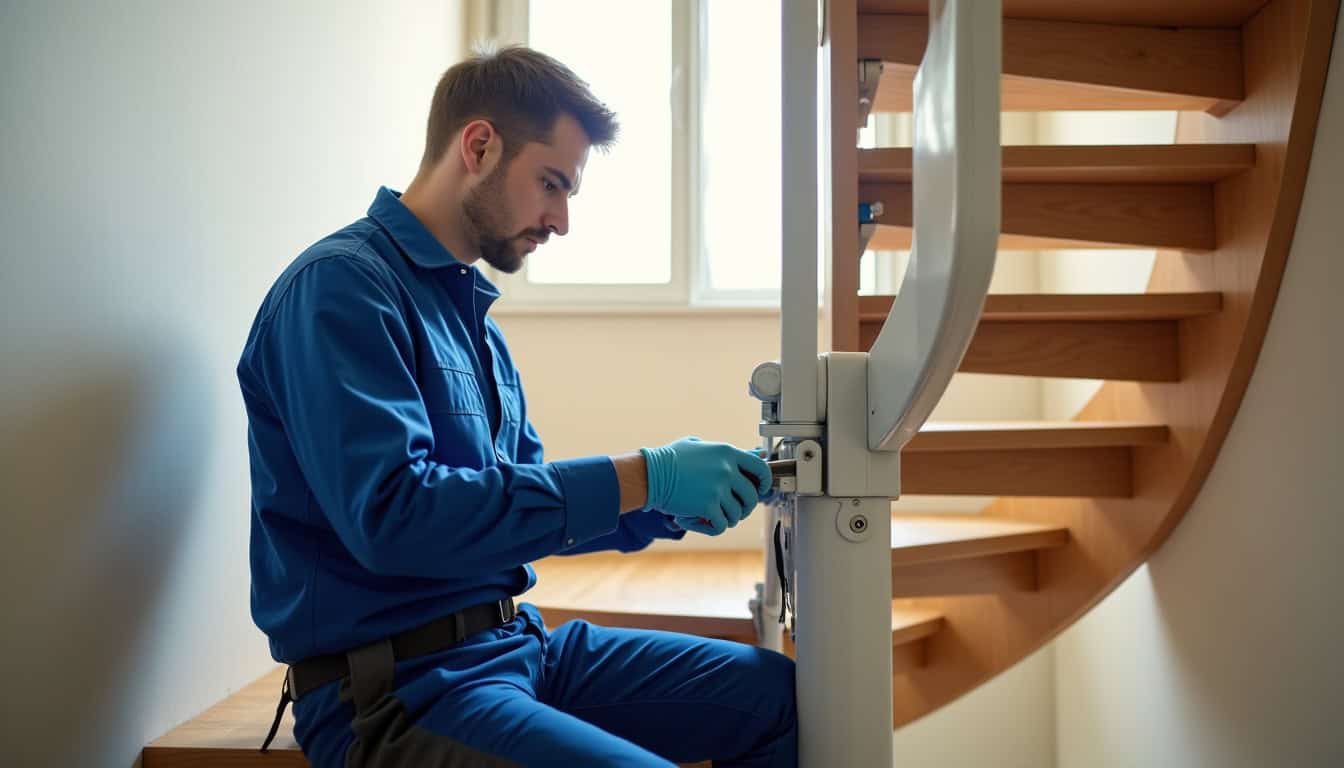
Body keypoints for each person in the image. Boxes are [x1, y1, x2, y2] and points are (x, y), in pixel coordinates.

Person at [236, 45, 797, 767]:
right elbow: (396, 518)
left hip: (513, 646)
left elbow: (515, 511)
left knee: (779, 699)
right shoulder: (340, 290)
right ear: (479, 145)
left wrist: (664, 508)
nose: (560, 221)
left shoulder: (477, 325)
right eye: (551, 184)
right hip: (397, 692)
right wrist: (645, 475)